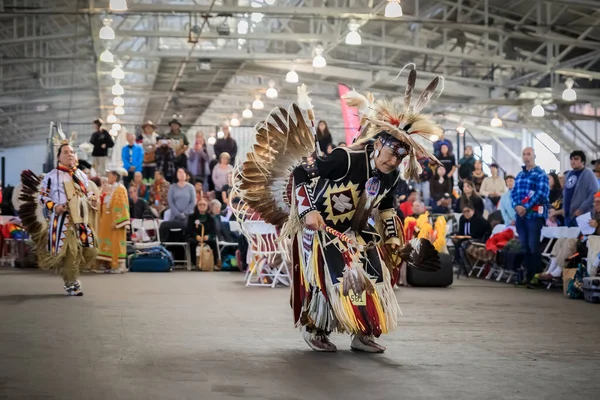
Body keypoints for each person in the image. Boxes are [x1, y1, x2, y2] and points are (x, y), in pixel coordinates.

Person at [238, 69, 449, 353]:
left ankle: (363, 332)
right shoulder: (345, 159)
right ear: (378, 144)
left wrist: (396, 243)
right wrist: (309, 211)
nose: (394, 160)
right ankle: (316, 328)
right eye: (392, 153)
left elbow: (386, 208)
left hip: (356, 229)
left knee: (376, 276)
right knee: (332, 277)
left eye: (401, 156)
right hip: (319, 225)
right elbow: (301, 173)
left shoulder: (391, 175)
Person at [19, 142, 98, 295]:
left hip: (80, 220)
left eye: (72, 152)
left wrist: (92, 198)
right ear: (59, 157)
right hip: (62, 221)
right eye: (66, 152)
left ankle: (69, 271)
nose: (70, 154)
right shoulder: (51, 176)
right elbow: (43, 197)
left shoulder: (81, 175)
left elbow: (87, 192)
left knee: (91, 251)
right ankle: (71, 283)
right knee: (71, 252)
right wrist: (55, 207)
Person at [511, 147, 549, 287]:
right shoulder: (520, 175)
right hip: (521, 216)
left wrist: (525, 207)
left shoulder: (540, 174)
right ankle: (528, 276)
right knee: (525, 247)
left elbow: (542, 194)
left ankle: (536, 277)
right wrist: (517, 206)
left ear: (534, 156)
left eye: (529, 154)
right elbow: (513, 193)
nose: (526, 157)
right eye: (524, 154)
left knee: (534, 247)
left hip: (534, 215)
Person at [97, 167, 130, 273]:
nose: (107, 178)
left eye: (109, 175)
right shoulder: (110, 189)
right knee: (107, 241)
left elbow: (122, 205)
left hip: (115, 221)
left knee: (116, 242)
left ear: (115, 177)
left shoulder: (120, 189)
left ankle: (119, 266)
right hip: (106, 221)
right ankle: (108, 264)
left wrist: (118, 221)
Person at [560, 151, 598, 227]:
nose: (573, 161)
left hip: (582, 215)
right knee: (569, 238)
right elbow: (565, 193)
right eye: (571, 159)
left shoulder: (588, 173)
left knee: (580, 238)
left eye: (576, 159)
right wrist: (564, 208)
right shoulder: (568, 174)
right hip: (568, 215)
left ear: (583, 161)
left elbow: (594, 193)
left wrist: (582, 209)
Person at [187, 198, 218, 268]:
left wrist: (208, 236)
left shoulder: (211, 218)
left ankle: (214, 263)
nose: (202, 206)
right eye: (200, 204)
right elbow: (189, 229)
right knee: (192, 242)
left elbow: (214, 230)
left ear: (207, 206)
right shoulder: (192, 217)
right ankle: (195, 263)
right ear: (197, 206)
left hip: (206, 237)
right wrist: (196, 236)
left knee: (213, 242)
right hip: (195, 236)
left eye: (204, 204)